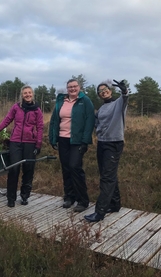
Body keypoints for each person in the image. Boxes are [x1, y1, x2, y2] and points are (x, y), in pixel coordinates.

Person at [0, 85, 44, 207]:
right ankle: (11, 198)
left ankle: (25, 196)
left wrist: (38, 144)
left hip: (30, 143)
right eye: (25, 93)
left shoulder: (37, 110)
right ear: (22, 95)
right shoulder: (16, 107)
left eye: (29, 93)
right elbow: (7, 120)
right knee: (14, 170)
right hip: (15, 142)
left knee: (28, 170)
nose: (27, 95)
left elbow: (40, 127)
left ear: (32, 94)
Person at [84, 79, 128, 222]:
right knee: (106, 174)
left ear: (110, 90)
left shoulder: (119, 104)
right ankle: (115, 204)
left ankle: (100, 212)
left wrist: (124, 90)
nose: (103, 92)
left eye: (105, 90)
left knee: (107, 178)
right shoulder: (101, 109)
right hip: (102, 143)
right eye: (100, 91)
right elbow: (97, 123)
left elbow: (125, 97)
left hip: (114, 143)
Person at [49, 78, 95, 213]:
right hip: (62, 139)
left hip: (77, 141)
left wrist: (85, 141)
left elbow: (90, 121)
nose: (72, 89)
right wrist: (53, 138)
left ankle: (83, 200)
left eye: (75, 86)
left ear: (79, 87)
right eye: (70, 87)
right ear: (67, 89)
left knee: (75, 167)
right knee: (66, 168)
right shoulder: (61, 101)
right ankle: (69, 197)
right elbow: (54, 120)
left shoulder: (85, 101)